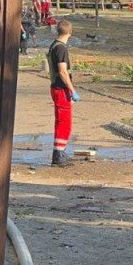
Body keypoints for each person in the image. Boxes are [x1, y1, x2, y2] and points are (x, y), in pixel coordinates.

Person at [48, 20, 80, 166]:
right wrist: (72, 90)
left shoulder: (53, 45)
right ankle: (59, 156)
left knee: (60, 122)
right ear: (70, 32)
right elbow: (62, 71)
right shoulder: (61, 48)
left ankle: (60, 152)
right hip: (62, 89)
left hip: (56, 87)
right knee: (64, 123)